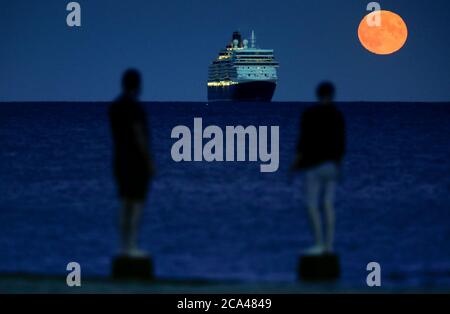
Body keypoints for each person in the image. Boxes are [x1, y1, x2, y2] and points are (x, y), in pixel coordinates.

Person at [291, 82, 346, 255]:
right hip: (331, 165)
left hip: (313, 165)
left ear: (317, 94)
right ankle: (329, 245)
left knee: (312, 205)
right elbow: (342, 143)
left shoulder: (309, 114)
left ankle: (319, 243)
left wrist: (295, 164)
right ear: (332, 94)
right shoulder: (338, 115)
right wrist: (338, 165)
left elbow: (303, 141)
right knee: (328, 204)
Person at [109, 69, 155, 257]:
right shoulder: (135, 109)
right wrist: (149, 161)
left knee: (124, 203)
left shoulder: (114, 107)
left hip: (119, 159)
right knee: (136, 204)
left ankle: (123, 246)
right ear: (138, 85)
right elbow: (138, 136)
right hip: (136, 162)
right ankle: (132, 245)